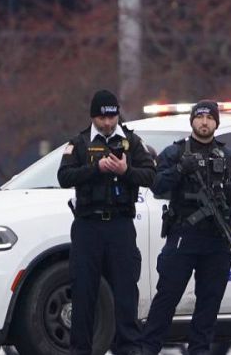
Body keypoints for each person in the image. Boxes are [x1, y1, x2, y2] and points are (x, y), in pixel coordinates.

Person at [139, 100, 231, 355]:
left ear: (216, 122)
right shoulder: (175, 153)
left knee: (209, 305)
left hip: (217, 241)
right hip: (184, 236)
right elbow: (156, 184)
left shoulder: (230, 157)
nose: (204, 122)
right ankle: (147, 350)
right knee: (167, 298)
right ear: (192, 121)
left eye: (209, 118)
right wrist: (181, 169)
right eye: (200, 117)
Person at [57, 90, 156, 355]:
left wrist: (126, 171)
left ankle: (128, 350)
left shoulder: (131, 142)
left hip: (120, 227)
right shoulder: (78, 143)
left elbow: (151, 175)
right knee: (84, 293)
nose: (108, 123)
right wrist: (95, 169)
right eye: (103, 117)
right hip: (88, 227)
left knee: (125, 293)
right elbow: (64, 177)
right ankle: (81, 350)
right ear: (93, 117)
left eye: (112, 116)